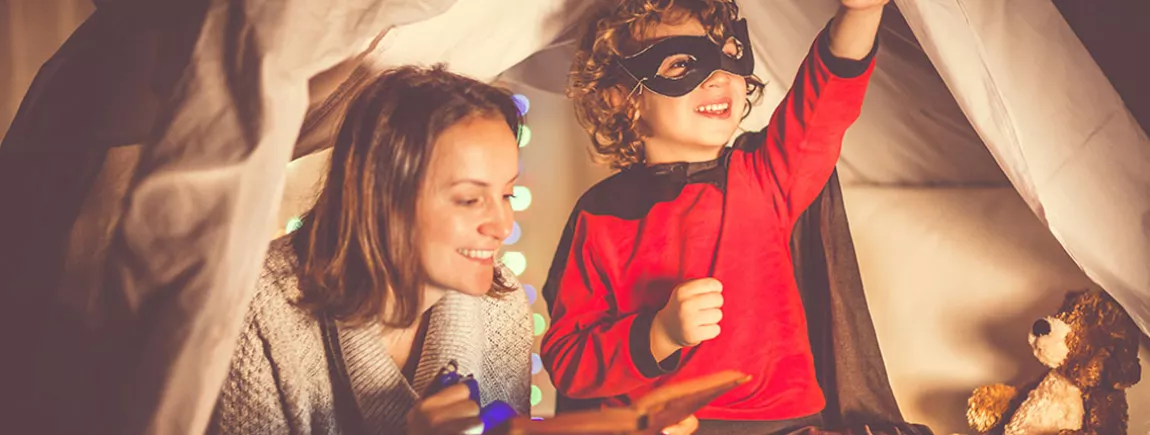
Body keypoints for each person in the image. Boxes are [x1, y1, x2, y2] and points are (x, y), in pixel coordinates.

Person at [540, 0, 896, 434]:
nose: (720, 76)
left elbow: (824, 104)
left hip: (784, 426)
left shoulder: (766, 175)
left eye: (731, 55)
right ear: (623, 98)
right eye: (682, 63)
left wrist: (860, 13)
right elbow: (569, 359)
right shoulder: (598, 215)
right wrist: (658, 335)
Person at [207, 65, 533, 435]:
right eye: (470, 199)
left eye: (507, 194)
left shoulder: (502, 308)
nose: (503, 226)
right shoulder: (262, 306)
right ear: (383, 198)